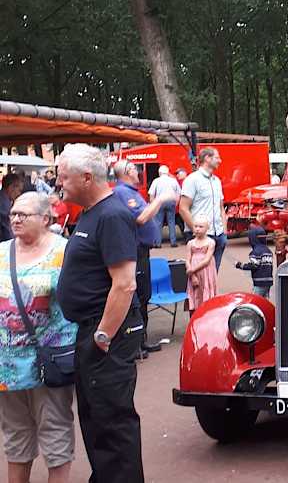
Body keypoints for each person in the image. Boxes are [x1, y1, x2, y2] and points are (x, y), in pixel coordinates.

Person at [54, 143, 144, 483]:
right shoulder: (92, 213)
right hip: (93, 331)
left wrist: (102, 336)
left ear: (87, 177)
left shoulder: (112, 215)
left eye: (64, 177)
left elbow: (124, 284)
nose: (59, 183)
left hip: (107, 334)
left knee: (112, 422)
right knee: (96, 420)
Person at [0, 192, 76, 483]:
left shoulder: (65, 252)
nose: (16, 219)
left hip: (49, 363)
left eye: (24, 214)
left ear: (46, 219)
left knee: (55, 434)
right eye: (13, 214)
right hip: (8, 366)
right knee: (15, 437)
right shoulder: (2, 251)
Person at [112, 159, 175, 355]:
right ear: (126, 172)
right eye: (134, 169)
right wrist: (160, 199)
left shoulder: (130, 192)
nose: (138, 172)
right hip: (136, 251)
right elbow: (140, 218)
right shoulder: (123, 192)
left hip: (142, 251)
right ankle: (136, 344)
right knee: (139, 297)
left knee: (144, 295)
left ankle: (141, 341)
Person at [179, 147, 227, 271]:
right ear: (207, 158)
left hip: (218, 235)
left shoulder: (217, 181)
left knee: (212, 276)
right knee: (198, 276)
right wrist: (197, 231)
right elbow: (183, 208)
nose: (220, 161)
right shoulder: (192, 180)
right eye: (217, 157)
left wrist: (224, 232)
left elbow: (221, 207)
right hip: (201, 236)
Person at [185, 217, 217, 315]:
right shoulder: (190, 243)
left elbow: (207, 260)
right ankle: (194, 316)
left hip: (206, 272)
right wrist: (192, 275)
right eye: (196, 226)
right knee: (195, 293)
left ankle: (207, 315)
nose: (198, 229)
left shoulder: (210, 242)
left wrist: (192, 270)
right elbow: (187, 259)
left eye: (201, 227)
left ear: (207, 228)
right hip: (194, 274)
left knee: (206, 290)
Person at [235, 226, 274, 298]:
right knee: (265, 301)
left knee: (255, 300)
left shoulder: (255, 252)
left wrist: (240, 265)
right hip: (269, 281)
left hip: (259, 282)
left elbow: (254, 265)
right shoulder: (268, 251)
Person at [148, 165, 181, 248]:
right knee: (171, 222)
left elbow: (151, 194)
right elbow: (179, 193)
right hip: (171, 202)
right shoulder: (173, 180)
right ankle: (173, 242)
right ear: (167, 172)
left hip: (160, 202)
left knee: (158, 223)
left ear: (160, 173)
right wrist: (176, 203)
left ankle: (158, 243)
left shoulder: (156, 181)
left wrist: (153, 205)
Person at [1, 173, 24, 242]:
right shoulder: (4, 205)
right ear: (11, 188)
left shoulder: (5, 201)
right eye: (19, 190)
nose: (19, 194)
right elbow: (9, 233)